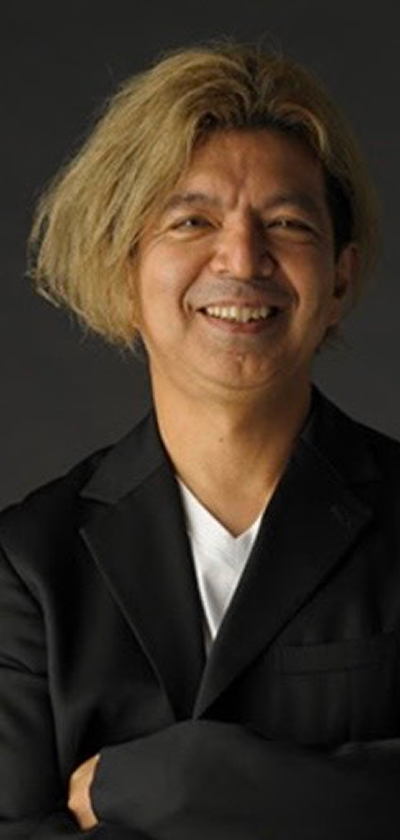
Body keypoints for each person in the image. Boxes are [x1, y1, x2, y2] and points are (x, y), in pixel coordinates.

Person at [0, 40, 399, 839]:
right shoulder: (27, 565)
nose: (242, 258)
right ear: (123, 268)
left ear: (339, 279)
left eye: (286, 223)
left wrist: (167, 783)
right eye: (192, 221)